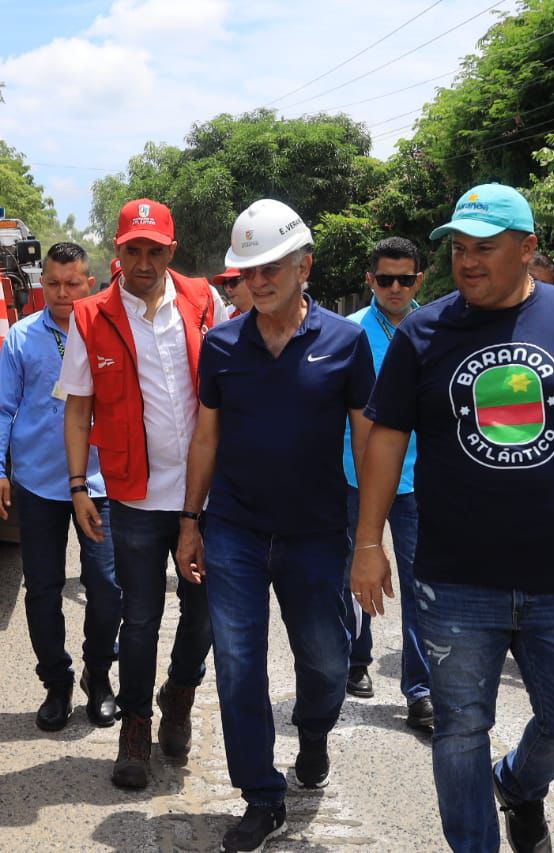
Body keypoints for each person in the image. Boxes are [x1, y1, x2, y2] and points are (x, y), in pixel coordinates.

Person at [352, 183, 554, 853]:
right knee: (458, 727)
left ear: (527, 248)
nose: (467, 261)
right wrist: (368, 539)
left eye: (484, 248)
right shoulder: (424, 332)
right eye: (458, 248)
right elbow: (386, 438)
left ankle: (517, 782)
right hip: (455, 579)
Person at [177, 199, 373, 852]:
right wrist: (189, 520)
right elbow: (206, 437)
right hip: (234, 529)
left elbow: (369, 444)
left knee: (326, 658)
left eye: (270, 268)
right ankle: (261, 796)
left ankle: (313, 734)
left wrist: (370, 538)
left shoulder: (346, 342)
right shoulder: (222, 344)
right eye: (245, 273)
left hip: (316, 533)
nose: (257, 282)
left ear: (304, 265)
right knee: (237, 665)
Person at [61, 198, 228, 789]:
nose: (143, 260)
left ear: (170, 252)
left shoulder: (205, 302)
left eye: (154, 250)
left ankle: (179, 693)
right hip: (132, 496)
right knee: (139, 620)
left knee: (206, 611)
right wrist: (80, 486)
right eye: (133, 249)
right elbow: (79, 409)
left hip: (204, 495)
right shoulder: (90, 317)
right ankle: (136, 725)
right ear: (118, 251)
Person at [0, 242, 121, 732]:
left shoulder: (110, 333)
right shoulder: (21, 339)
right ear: (42, 285)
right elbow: (0, 406)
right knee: (42, 590)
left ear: (92, 283)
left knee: (106, 587)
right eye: (54, 284)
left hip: (101, 484)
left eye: (73, 283)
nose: (63, 293)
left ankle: (99, 675)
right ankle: (56, 683)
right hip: (39, 484)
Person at [340, 236, 433, 732]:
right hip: (356, 478)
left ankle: (420, 690)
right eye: (385, 279)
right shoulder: (348, 334)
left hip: (421, 480)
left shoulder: (437, 331)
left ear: (419, 280)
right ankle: (356, 659)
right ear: (369, 281)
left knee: (421, 585)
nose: (395, 288)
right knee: (356, 574)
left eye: (406, 278)